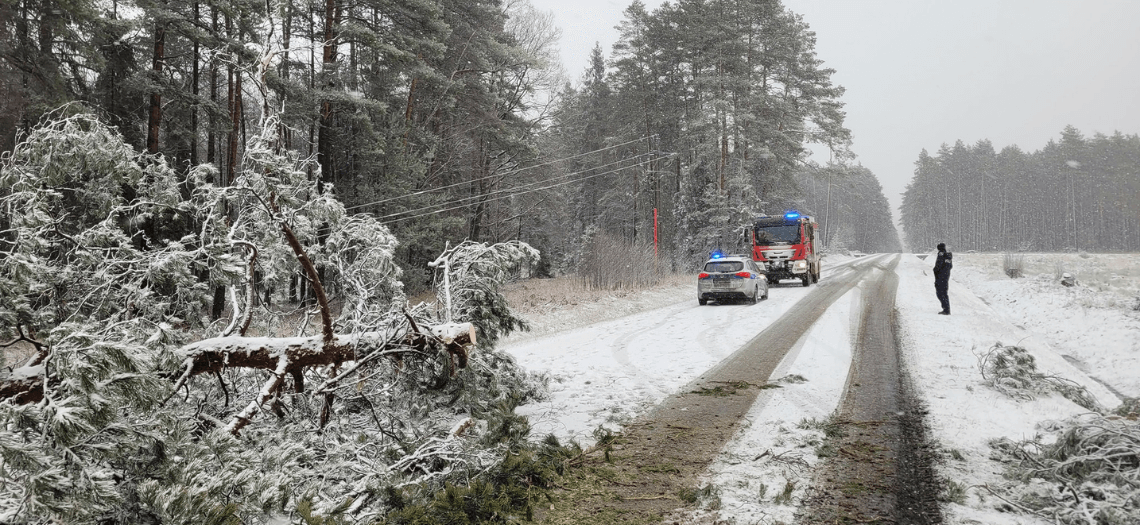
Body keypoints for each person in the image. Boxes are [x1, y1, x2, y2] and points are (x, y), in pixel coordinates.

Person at [933, 242, 952, 315]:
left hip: (940, 276)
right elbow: (950, 266)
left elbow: (938, 265)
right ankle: (947, 308)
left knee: (940, 293)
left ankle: (946, 309)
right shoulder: (948, 256)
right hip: (946, 276)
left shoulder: (941, 255)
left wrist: (935, 271)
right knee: (944, 293)